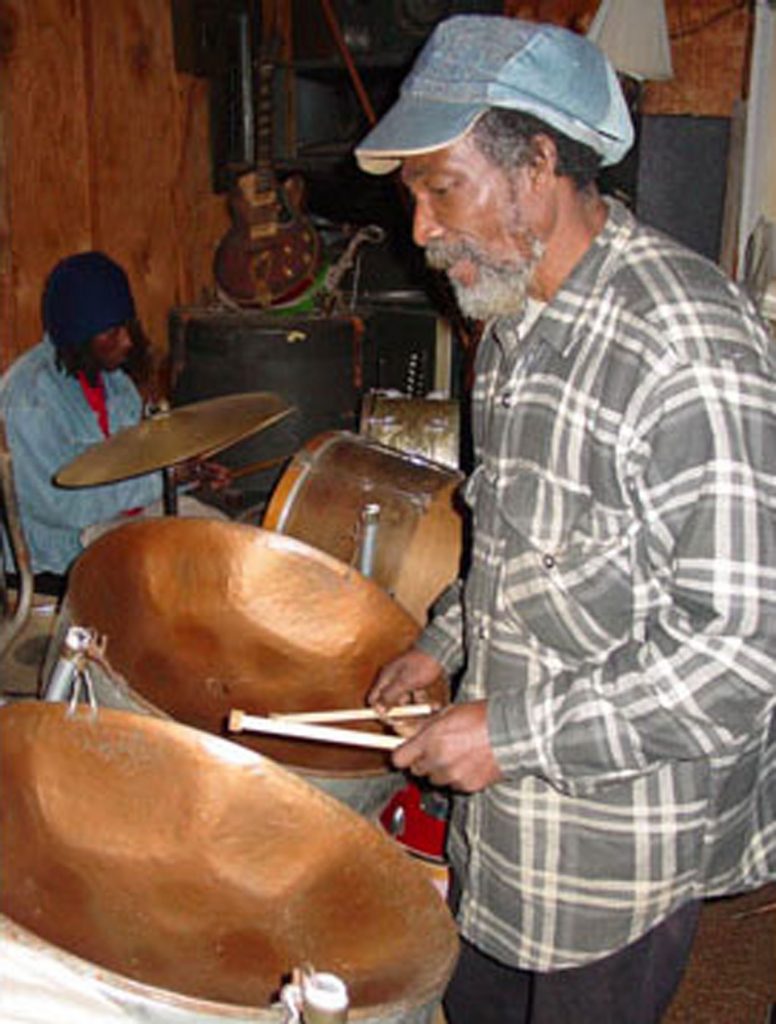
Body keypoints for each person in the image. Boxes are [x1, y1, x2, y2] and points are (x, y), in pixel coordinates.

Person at [356, 15, 776, 1024]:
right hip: (498, 840)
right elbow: (510, 540)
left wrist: (512, 730)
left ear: (537, 161)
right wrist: (439, 643)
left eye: (439, 187)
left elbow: (738, 653)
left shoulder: (686, 345)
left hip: (612, 855)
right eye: (412, 195)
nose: (418, 229)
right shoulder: (507, 324)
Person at [0, 251, 226, 590]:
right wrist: (160, 480)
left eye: (127, 326)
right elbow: (61, 507)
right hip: (60, 557)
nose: (127, 341)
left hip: (117, 523)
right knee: (181, 575)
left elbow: (133, 466)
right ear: (77, 336)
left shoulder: (113, 380)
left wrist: (187, 475)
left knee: (228, 545)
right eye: (112, 332)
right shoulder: (29, 399)